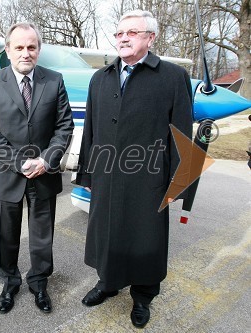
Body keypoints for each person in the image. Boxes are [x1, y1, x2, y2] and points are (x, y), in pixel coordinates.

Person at [75, 10, 193, 328]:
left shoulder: (172, 77)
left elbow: (182, 132)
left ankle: (142, 297)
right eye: (120, 33)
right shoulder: (100, 78)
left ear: (150, 38)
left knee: (146, 240)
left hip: (150, 178)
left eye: (132, 32)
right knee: (108, 235)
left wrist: (180, 181)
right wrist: (86, 174)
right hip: (107, 176)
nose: (124, 38)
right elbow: (90, 131)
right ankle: (108, 284)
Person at [0, 22, 74, 314]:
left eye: (31, 47)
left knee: (42, 236)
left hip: (44, 174)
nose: (25, 53)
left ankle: (39, 283)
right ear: (7, 50)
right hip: (7, 176)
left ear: (39, 50)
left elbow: (64, 126)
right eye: (19, 47)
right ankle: (9, 283)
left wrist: (46, 160)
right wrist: (20, 161)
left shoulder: (54, 80)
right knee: (5, 236)